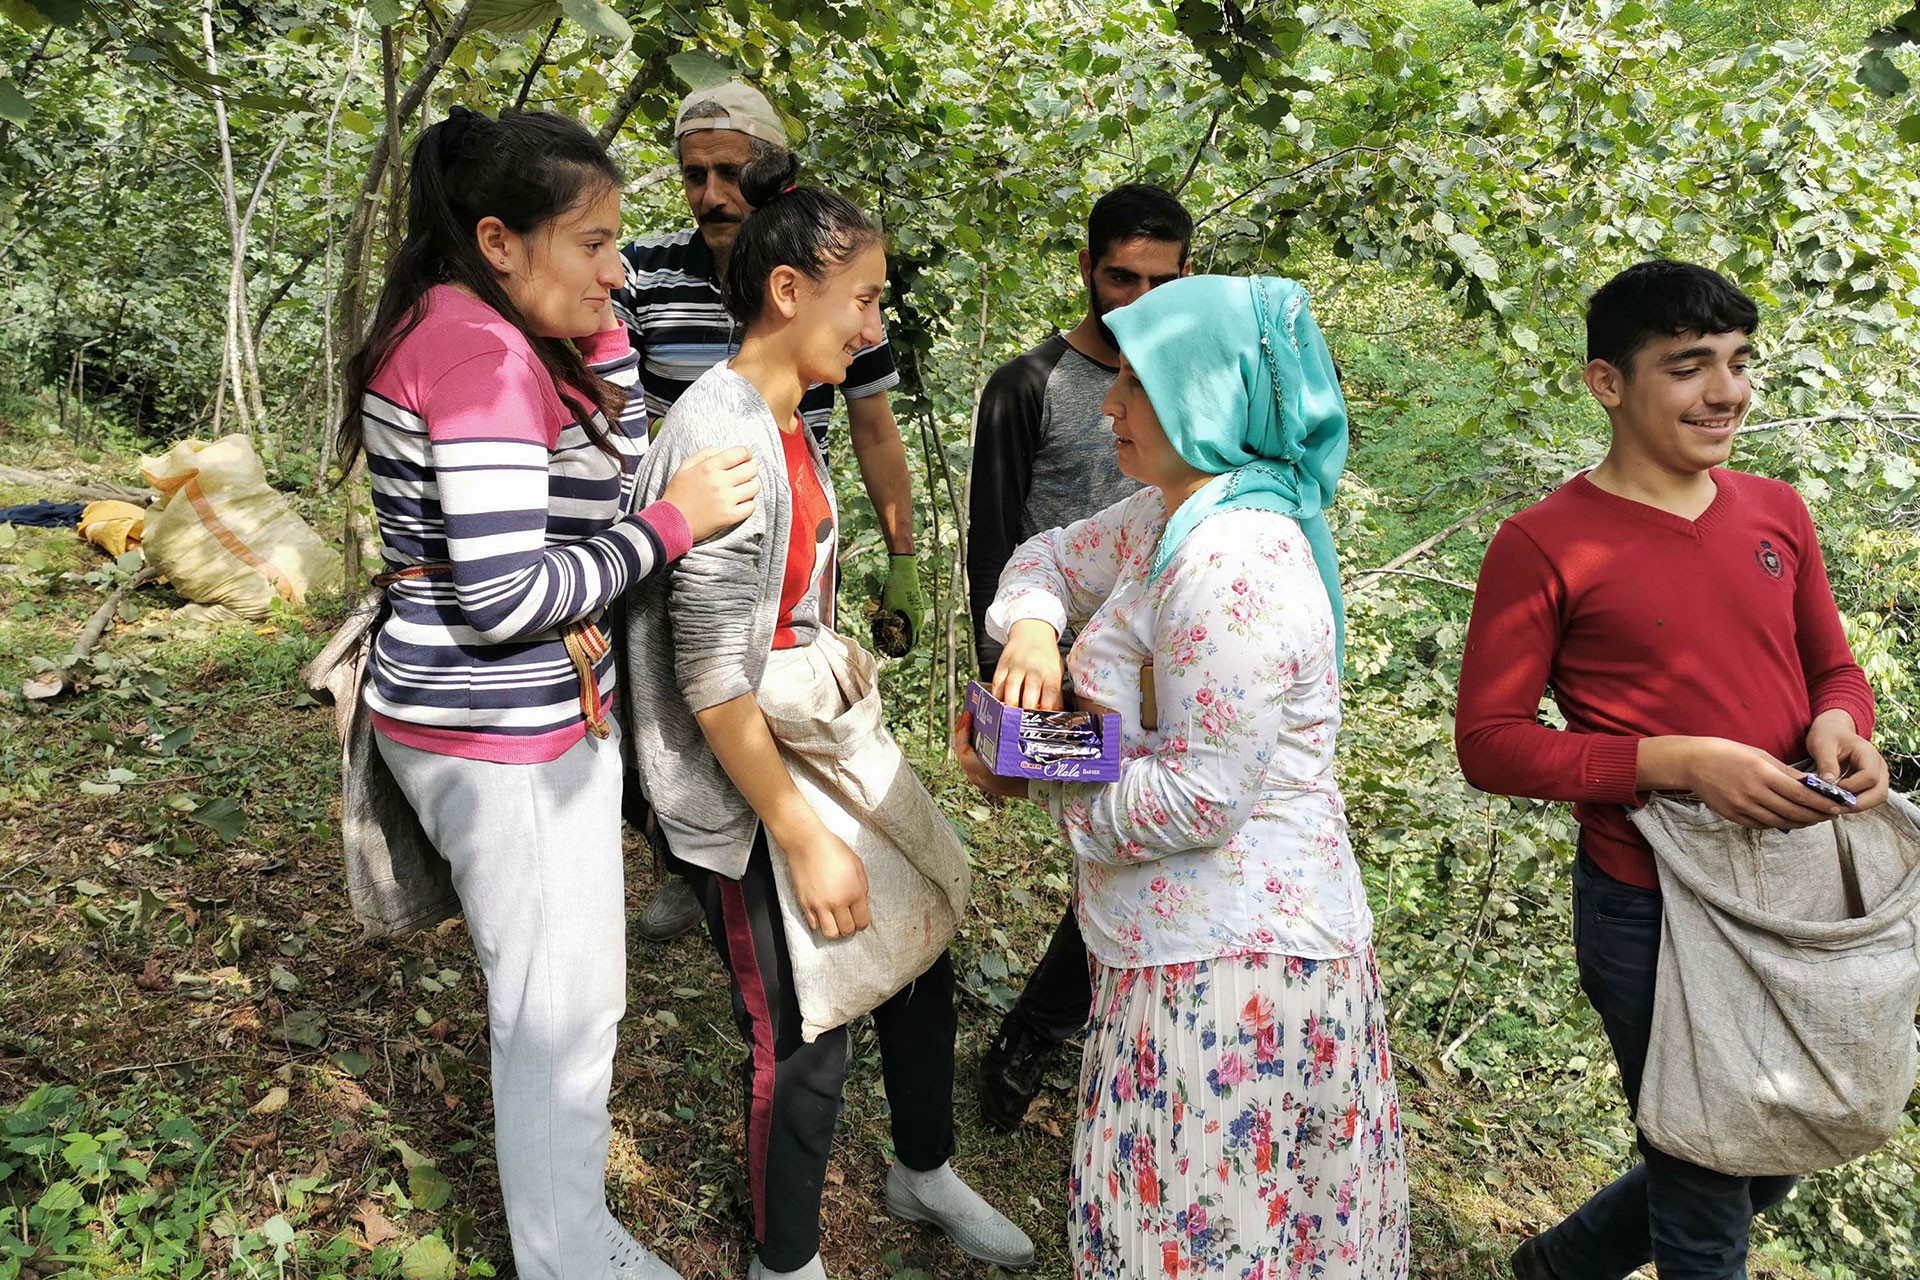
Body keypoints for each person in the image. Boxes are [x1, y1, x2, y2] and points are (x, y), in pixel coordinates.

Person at [335, 107, 759, 1280]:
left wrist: (602, 335)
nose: (618, 269)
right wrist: (675, 526)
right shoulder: (476, 357)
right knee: (557, 1006)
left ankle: (569, 1232)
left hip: (498, 710)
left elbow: (601, 460)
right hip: (498, 725)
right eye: (594, 243)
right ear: (500, 239)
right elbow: (506, 595)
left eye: (621, 242)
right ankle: (565, 1252)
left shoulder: (481, 321)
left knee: (569, 988)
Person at [619, 150, 1034, 1280]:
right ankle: (785, 1260)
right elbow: (709, 680)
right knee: (804, 1025)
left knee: (919, 943)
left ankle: (923, 1167)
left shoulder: (783, 412)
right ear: (790, 291)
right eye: (863, 296)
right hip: (746, 777)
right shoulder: (727, 437)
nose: (873, 321)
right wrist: (804, 841)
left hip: (815, 731)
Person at [958, 275, 1409, 1279]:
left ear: (1211, 394)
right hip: (1178, 944)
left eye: (1137, 387)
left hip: (1233, 969)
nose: (1109, 407)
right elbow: (1044, 555)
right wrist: (1033, 626)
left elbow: (1205, 793)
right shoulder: (1170, 517)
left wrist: (1041, 768)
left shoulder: (1234, 557)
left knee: (1205, 1234)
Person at [1453, 259, 1891, 1280]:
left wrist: (1842, 724)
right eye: (1690, 367)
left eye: (1739, 363)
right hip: (1651, 905)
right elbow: (1491, 741)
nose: (1727, 391)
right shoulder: (1544, 543)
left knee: (1773, 1148)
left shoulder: (1776, 510)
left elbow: (1833, 668)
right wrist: (1675, 761)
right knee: (1705, 1193)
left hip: (1795, 892)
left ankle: (1560, 1265)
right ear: (1608, 382)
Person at [615, 80, 926, 943]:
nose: (712, 193)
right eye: (693, 174)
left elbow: (872, 427)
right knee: (709, 688)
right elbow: (606, 416)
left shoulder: (838, 279)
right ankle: (705, 857)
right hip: (699, 528)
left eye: (730, 171)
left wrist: (901, 557)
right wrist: (626, 543)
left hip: (795, 530)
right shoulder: (644, 275)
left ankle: (755, 838)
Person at [966, 182, 1193, 1132]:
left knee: (1143, 844)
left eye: (1159, 280)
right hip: (1054, 658)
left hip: (1171, 667)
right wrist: (1019, 659)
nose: (1135, 298)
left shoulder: (1197, 388)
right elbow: (999, 533)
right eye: (1118, 276)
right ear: (1087, 267)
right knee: (1109, 839)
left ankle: (1046, 1029)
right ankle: (1044, 1034)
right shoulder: (1032, 384)